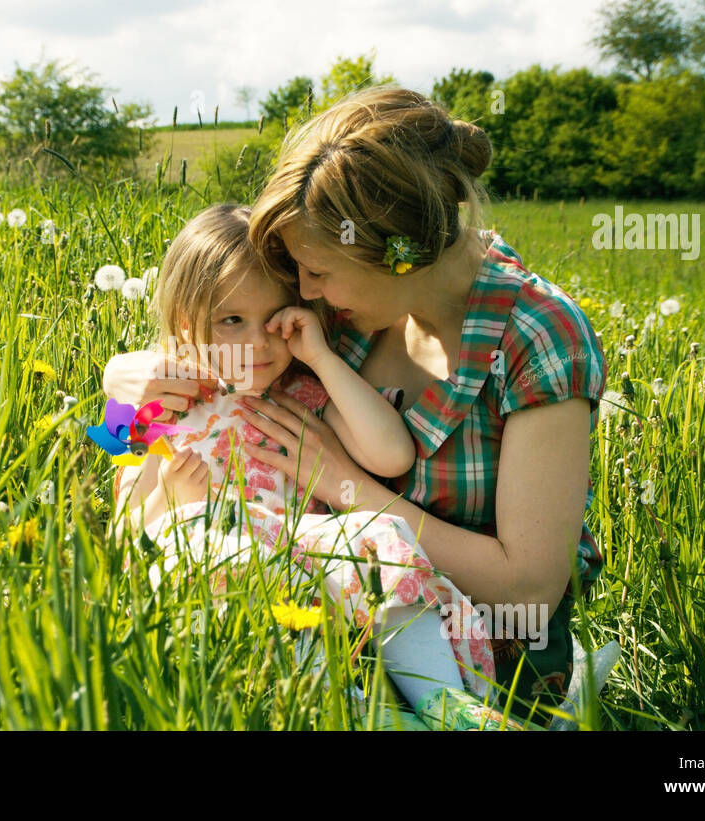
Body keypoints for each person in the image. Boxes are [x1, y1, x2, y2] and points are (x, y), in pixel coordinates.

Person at [102, 85, 607, 719]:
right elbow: (208, 350)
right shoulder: (341, 315)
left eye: (316, 271)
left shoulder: (537, 334)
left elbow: (528, 586)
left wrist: (343, 484)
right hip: (323, 611)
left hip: (496, 648)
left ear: (399, 254)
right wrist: (126, 378)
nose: (302, 291)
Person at [107, 202, 497, 707]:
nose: (257, 342)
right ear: (186, 323)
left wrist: (320, 358)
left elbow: (392, 456)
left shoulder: (301, 396)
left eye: (275, 319)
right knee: (224, 552)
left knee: (382, 536)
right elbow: (122, 542)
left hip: (305, 578)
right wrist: (166, 496)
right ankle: (341, 707)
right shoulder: (164, 412)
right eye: (232, 320)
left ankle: (447, 705)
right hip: (215, 587)